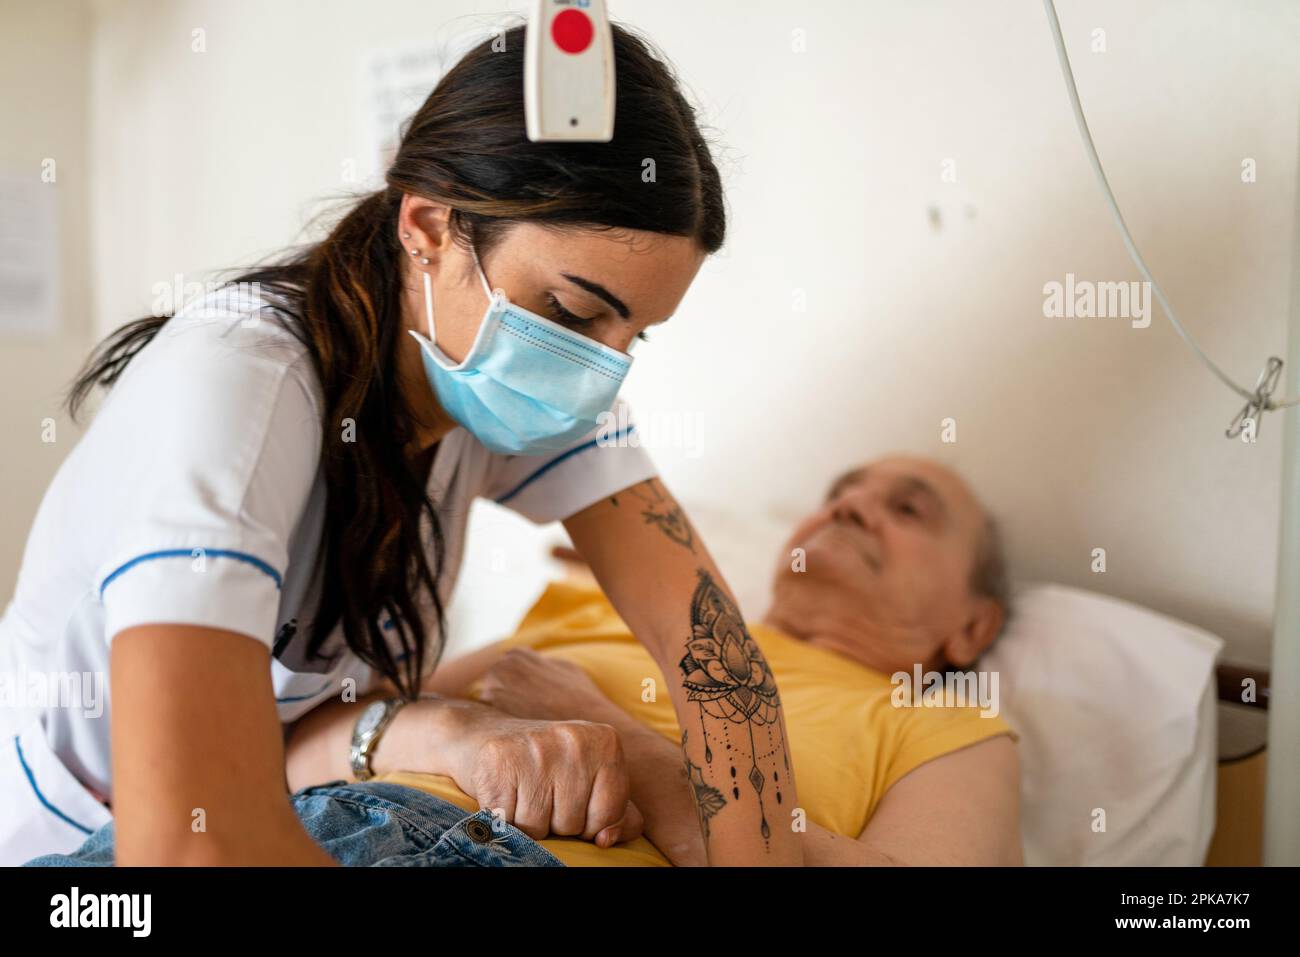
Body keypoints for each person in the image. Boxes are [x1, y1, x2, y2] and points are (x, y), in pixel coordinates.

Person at [1, 21, 802, 867]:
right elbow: (188, 847)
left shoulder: (498, 376)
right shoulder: (237, 389)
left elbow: (716, 660)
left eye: (633, 336)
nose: (599, 370)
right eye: (571, 312)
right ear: (426, 224)